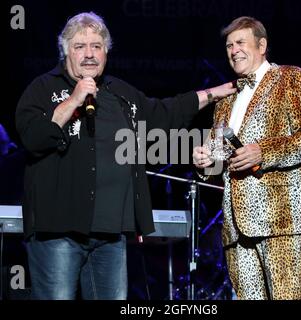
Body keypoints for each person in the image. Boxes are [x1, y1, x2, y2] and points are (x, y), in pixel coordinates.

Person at [15, 12, 235, 300]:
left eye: (97, 46)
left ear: (106, 52)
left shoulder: (120, 93)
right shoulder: (42, 89)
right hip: (59, 232)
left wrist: (216, 92)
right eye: (80, 46)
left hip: (110, 233)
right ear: (65, 51)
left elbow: (164, 113)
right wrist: (74, 99)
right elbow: (34, 138)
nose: (89, 54)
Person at [193, 16, 301, 300]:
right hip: (236, 228)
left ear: (262, 45)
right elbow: (219, 157)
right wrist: (206, 162)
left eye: (241, 42)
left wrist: (264, 151)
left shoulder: (294, 78)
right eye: (229, 45)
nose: (233, 51)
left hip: (283, 220)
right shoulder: (227, 98)